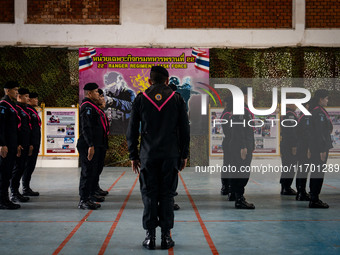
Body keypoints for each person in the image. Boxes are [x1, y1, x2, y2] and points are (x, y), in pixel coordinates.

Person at [126, 66, 190, 250]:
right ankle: (166, 237)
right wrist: (184, 154)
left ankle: (150, 237)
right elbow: (185, 130)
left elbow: (131, 130)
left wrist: (133, 155)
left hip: (148, 155)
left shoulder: (140, 98)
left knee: (149, 195)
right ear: (168, 81)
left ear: (149, 81)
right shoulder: (177, 99)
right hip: (170, 155)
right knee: (168, 195)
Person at [77, 83, 106, 210]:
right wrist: (90, 145)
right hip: (88, 145)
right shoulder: (87, 107)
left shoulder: (93, 106)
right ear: (89, 93)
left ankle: (89, 195)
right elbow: (86, 127)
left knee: (92, 171)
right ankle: (83, 200)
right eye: (95, 92)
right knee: (87, 172)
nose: (97, 94)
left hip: (94, 144)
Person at [229, 87, 255, 209]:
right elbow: (238, 129)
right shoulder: (240, 109)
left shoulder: (243, 109)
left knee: (240, 171)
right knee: (242, 172)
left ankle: (237, 196)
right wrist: (243, 146)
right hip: (242, 147)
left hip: (242, 145)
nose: (253, 98)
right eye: (251, 95)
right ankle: (239, 198)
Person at [309, 89, 332, 208]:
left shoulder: (320, 111)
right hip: (319, 148)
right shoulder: (318, 112)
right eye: (326, 98)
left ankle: (314, 196)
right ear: (320, 99)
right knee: (318, 173)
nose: (327, 100)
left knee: (317, 172)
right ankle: (314, 199)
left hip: (319, 146)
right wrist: (322, 149)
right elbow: (319, 132)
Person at [0, 81, 21, 209]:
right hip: (6, 146)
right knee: (4, 173)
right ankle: (2, 200)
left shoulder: (11, 105)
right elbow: (1, 126)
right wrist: (2, 144)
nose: (17, 92)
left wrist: (17, 144)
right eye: (15, 90)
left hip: (12, 144)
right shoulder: (3, 105)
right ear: (8, 91)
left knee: (8, 173)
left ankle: (5, 199)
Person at [10, 88, 32, 203]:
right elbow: (16, 127)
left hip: (25, 143)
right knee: (17, 168)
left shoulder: (24, 108)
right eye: (26, 96)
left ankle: (17, 191)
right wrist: (17, 144)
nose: (28, 98)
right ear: (20, 97)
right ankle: (13, 192)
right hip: (20, 144)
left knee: (21, 168)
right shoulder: (17, 108)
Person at [22, 92, 41, 196]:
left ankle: (26, 187)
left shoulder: (33, 110)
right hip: (31, 143)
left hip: (35, 142)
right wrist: (30, 144)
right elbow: (28, 129)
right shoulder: (28, 111)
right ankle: (24, 188)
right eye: (35, 99)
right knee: (28, 166)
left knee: (31, 166)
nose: (37, 100)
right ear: (29, 100)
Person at [93, 88, 109, 197]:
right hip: (95, 144)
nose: (103, 100)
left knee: (98, 167)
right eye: (101, 97)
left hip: (101, 143)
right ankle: (91, 192)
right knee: (92, 169)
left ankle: (95, 187)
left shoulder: (101, 112)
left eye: (103, 97)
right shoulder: (92, 110)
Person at [280, 104, 298, 195]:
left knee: (287, 166)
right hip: (289, 145)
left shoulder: (285, 113)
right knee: (290, 166)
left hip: (285, 144)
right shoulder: (290, 114)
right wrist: (294, 145)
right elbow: (291, 131)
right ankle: (286, 187)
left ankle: (285, 186)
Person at [295, 102, 312, 201]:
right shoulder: (306, 117)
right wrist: (309, 148)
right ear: (307, 106)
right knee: (303, 170)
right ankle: (301, 193)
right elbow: (306, 134)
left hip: (301, 146)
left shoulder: (301, 115)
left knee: (302, 170)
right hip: (304, 147)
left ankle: (300, 192)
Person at [220, 96, 234, 201]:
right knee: (229, 165)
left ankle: (226, 187)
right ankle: (226, 186)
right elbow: (229, 130)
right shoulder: (227, 114)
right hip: (230, 141)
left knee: (228, 165)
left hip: (229, 141)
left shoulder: (227, 113)